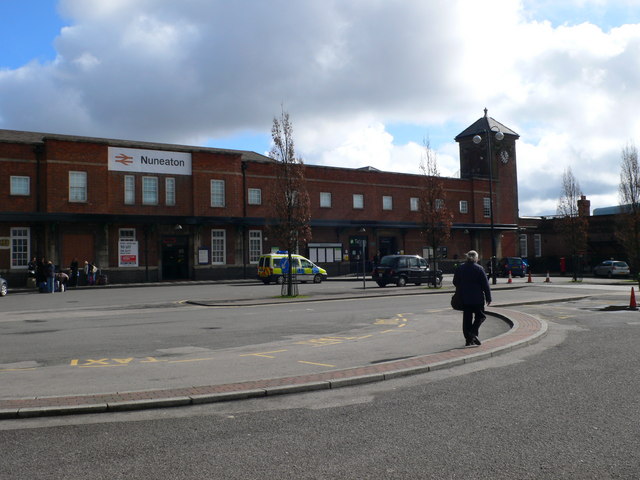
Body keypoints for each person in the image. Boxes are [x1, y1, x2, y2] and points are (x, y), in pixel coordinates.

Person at [453, 250, 492, 347]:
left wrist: (463, 287)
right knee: (481, 316)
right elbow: (485, 284)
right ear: (476, 258)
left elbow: (455, 282)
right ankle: (473, 333)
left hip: (464, 298)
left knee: (467, 319)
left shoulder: (460, 268)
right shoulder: (479, 269)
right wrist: (488, 297)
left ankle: (468, 340)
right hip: (477, 298)